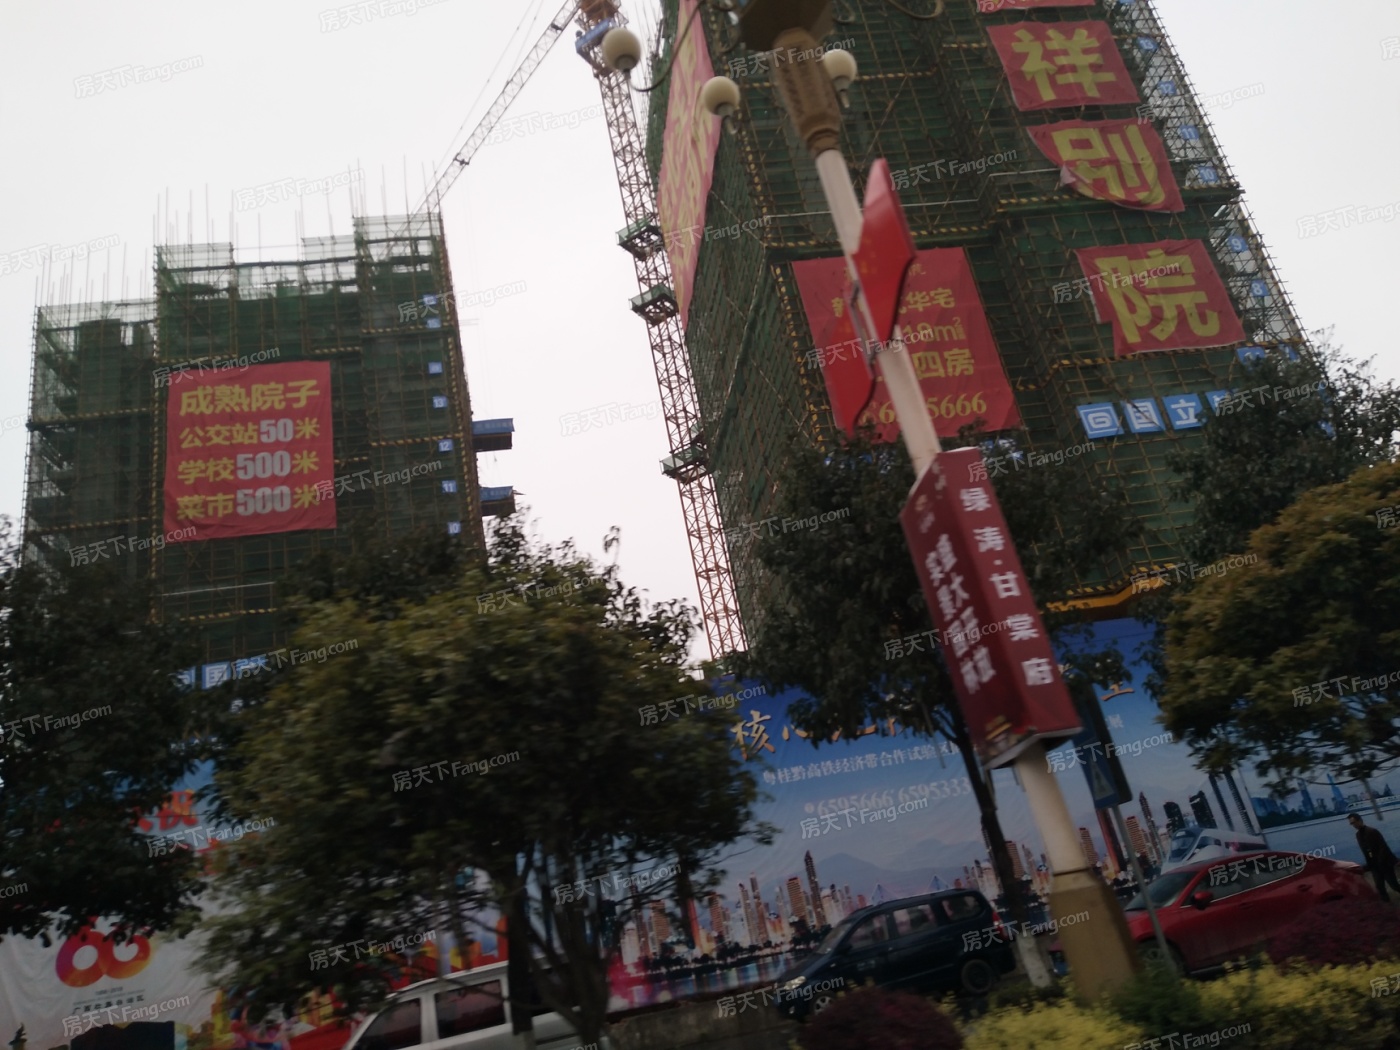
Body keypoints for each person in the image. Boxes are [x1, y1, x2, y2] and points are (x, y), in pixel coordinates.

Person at [1348, 812, 1400, 901]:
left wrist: (1381, 861)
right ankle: (1387, 904)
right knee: (1380, 887)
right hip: (1374, 866)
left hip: (1384, 864)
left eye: (1354, 822)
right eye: (1351, 823)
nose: (1353, 825)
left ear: (1360, 820)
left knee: (1394, 885)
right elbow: (1365, 852)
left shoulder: (1372, 831)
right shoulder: (1358, 835)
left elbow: (1383, 847)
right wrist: (1369, 865)